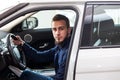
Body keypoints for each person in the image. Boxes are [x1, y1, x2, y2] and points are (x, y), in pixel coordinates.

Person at [12, 14, 71, 80]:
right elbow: (40, 56)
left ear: (68, 30)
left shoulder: (68, 51)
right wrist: (22, 43)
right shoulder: (60, 46)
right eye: (54, 29)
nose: (57, 33)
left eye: (61, 29)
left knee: (26, 74)